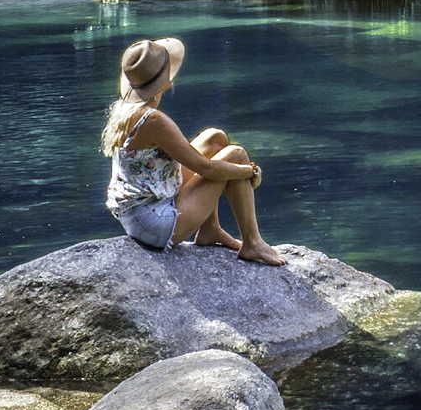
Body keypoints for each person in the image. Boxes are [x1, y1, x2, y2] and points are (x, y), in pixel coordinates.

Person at [101, 36, 287, 265]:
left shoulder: (125, 109)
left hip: (139, 211)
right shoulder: (154, 121)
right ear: (167, 83)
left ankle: (210, 231)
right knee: (235, 155)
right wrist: (249, 172)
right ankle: (253, 243)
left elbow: (189, 159)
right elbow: (206, 168)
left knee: (214, 138)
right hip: (155, 225)